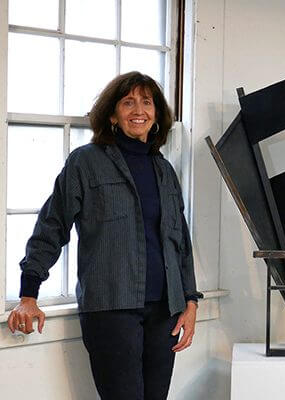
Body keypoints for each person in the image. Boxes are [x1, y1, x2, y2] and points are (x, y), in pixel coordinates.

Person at [6, 71, 199, 400]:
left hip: (165, 311)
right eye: (128, 102)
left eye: (146, 102)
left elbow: (179, 240)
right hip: (111, 309)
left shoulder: (164, 170)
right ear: (112, 114)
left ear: (156, 114)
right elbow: (53, 224)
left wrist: (191, 300)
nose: (138, 109)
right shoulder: (86, 162)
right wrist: (29, 293)